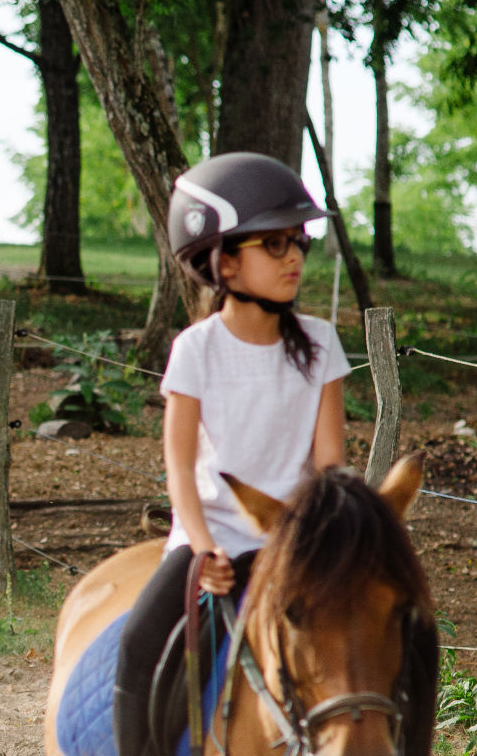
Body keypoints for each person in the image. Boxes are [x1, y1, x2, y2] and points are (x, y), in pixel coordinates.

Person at [112, 152, 351, 756]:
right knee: (139, 647)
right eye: (273, 244)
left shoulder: (320, 344)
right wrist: (202, 546)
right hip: (211, 536)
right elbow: (179, 467)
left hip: (295, 545)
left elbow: (328, 466)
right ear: (222, 261)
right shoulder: (196, 350)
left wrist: (327, 542)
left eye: (297, 241)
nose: (294, 255)